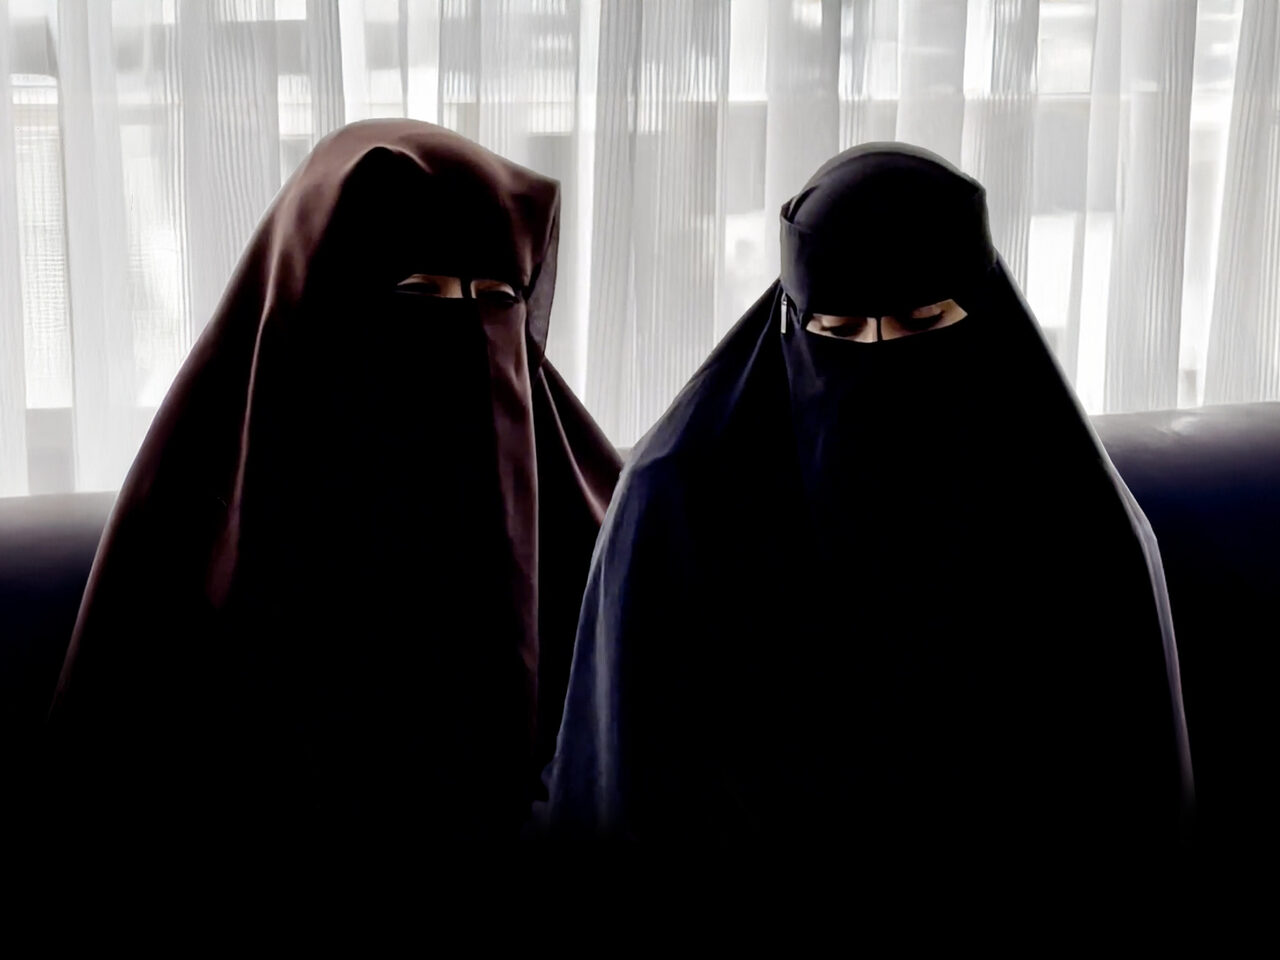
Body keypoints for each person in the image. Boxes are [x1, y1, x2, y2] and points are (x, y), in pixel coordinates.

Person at [543, 143, 1193, 859]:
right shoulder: (680, 497)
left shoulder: (1067, 510)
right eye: (838, 331)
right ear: (792, 320)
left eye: (922, 323)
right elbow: (634, 795)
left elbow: (1121, 792)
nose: (878, 361)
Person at [45, 120, 620, 858]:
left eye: (500, 298)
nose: (469, 339)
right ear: (319, 299)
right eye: (421, 292)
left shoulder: (580, 509)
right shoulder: (197, 528)